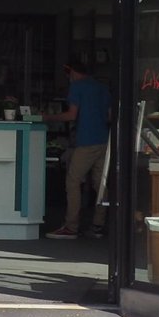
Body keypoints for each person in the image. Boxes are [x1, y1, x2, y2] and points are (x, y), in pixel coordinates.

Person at [45, 55, 111, 240]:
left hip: (86, 140)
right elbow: (109, 116)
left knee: (73, 181)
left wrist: (47, 117)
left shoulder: (77, 87)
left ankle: (71, 226)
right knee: (100, 183)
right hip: (103, 140)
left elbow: (71, 115)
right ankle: (98, 224)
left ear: (72, 72)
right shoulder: (102, 88)